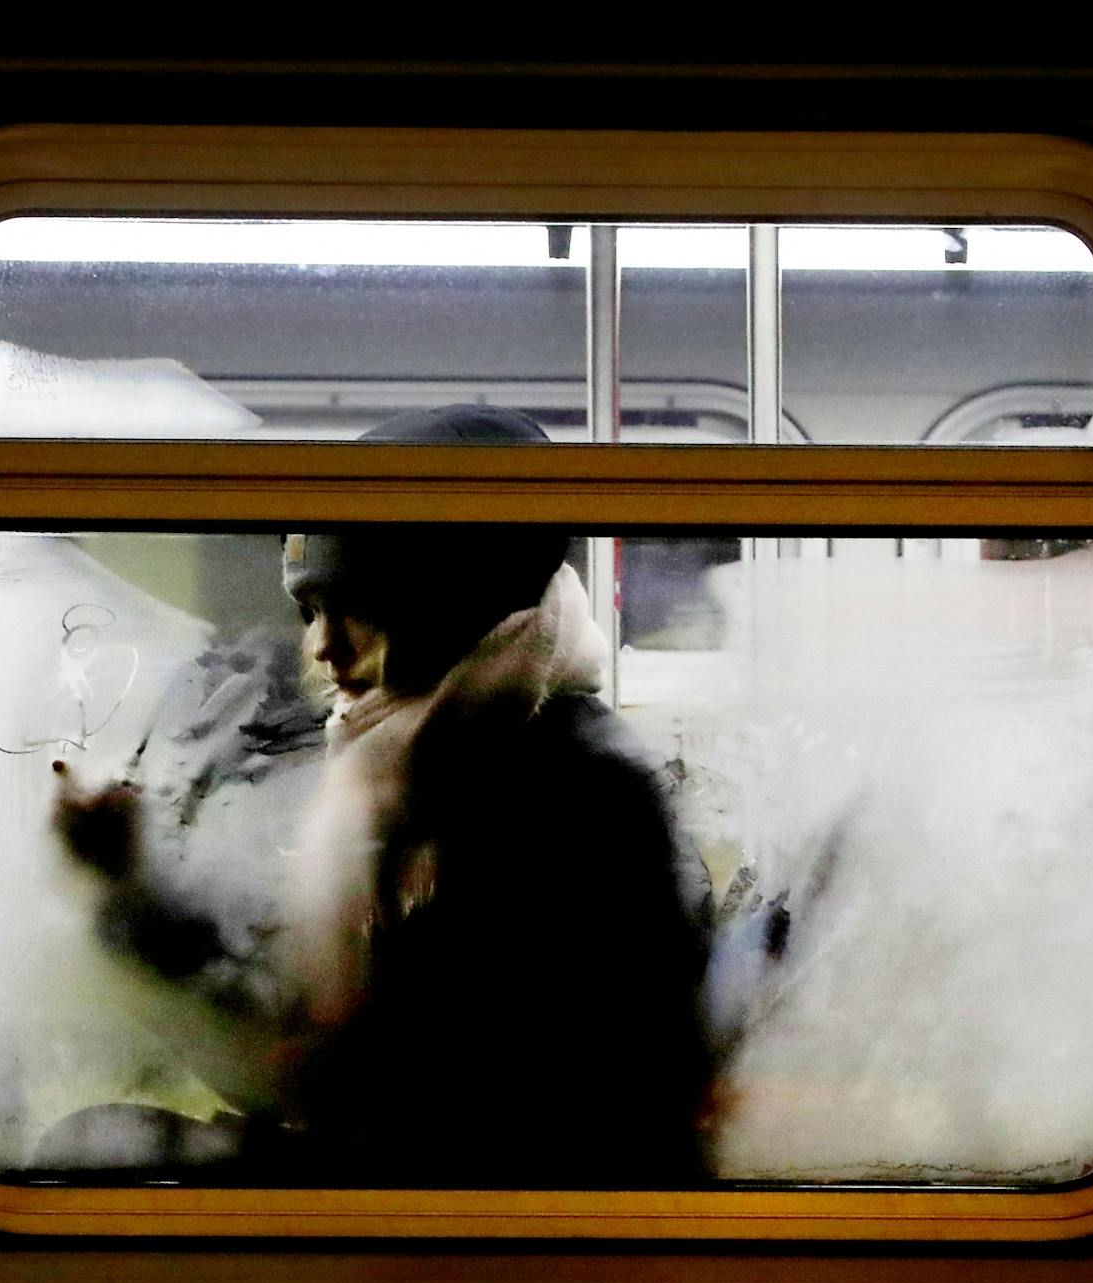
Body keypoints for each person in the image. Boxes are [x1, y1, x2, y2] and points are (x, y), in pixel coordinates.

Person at [54, 405, 716, 1187]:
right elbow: (314, 1052)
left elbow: (396, 1088)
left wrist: (148, 925)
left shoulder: (572, 794)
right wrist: (132, 897)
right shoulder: (420, 769)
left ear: (452, 597)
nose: (323, 649)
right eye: (309, 613)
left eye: (356, 608)